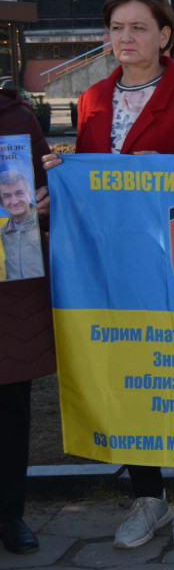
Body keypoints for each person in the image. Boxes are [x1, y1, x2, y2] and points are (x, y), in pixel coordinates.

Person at [43, 0, 174, 549]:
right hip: (113, 263)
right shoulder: (92, 100)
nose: (126, 38)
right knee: (129, 373)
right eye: (117, 29)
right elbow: (92, 182)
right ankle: (148, 496)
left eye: (139, 28)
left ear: (165, 36)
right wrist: (64, 175)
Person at [0, 95, 51, 555]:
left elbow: (45, 194)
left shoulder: (18, 119)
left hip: (8, 293)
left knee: (11, 408)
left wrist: (44, 201)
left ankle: (9, 514)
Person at [0, 170, 43, 280]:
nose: (14, 201)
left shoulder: (47, 223)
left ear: (29, 194)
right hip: (15, 293)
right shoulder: (4, 230)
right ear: (2, 203)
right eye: (7, 196)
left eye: (19, 193)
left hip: (45, 291)